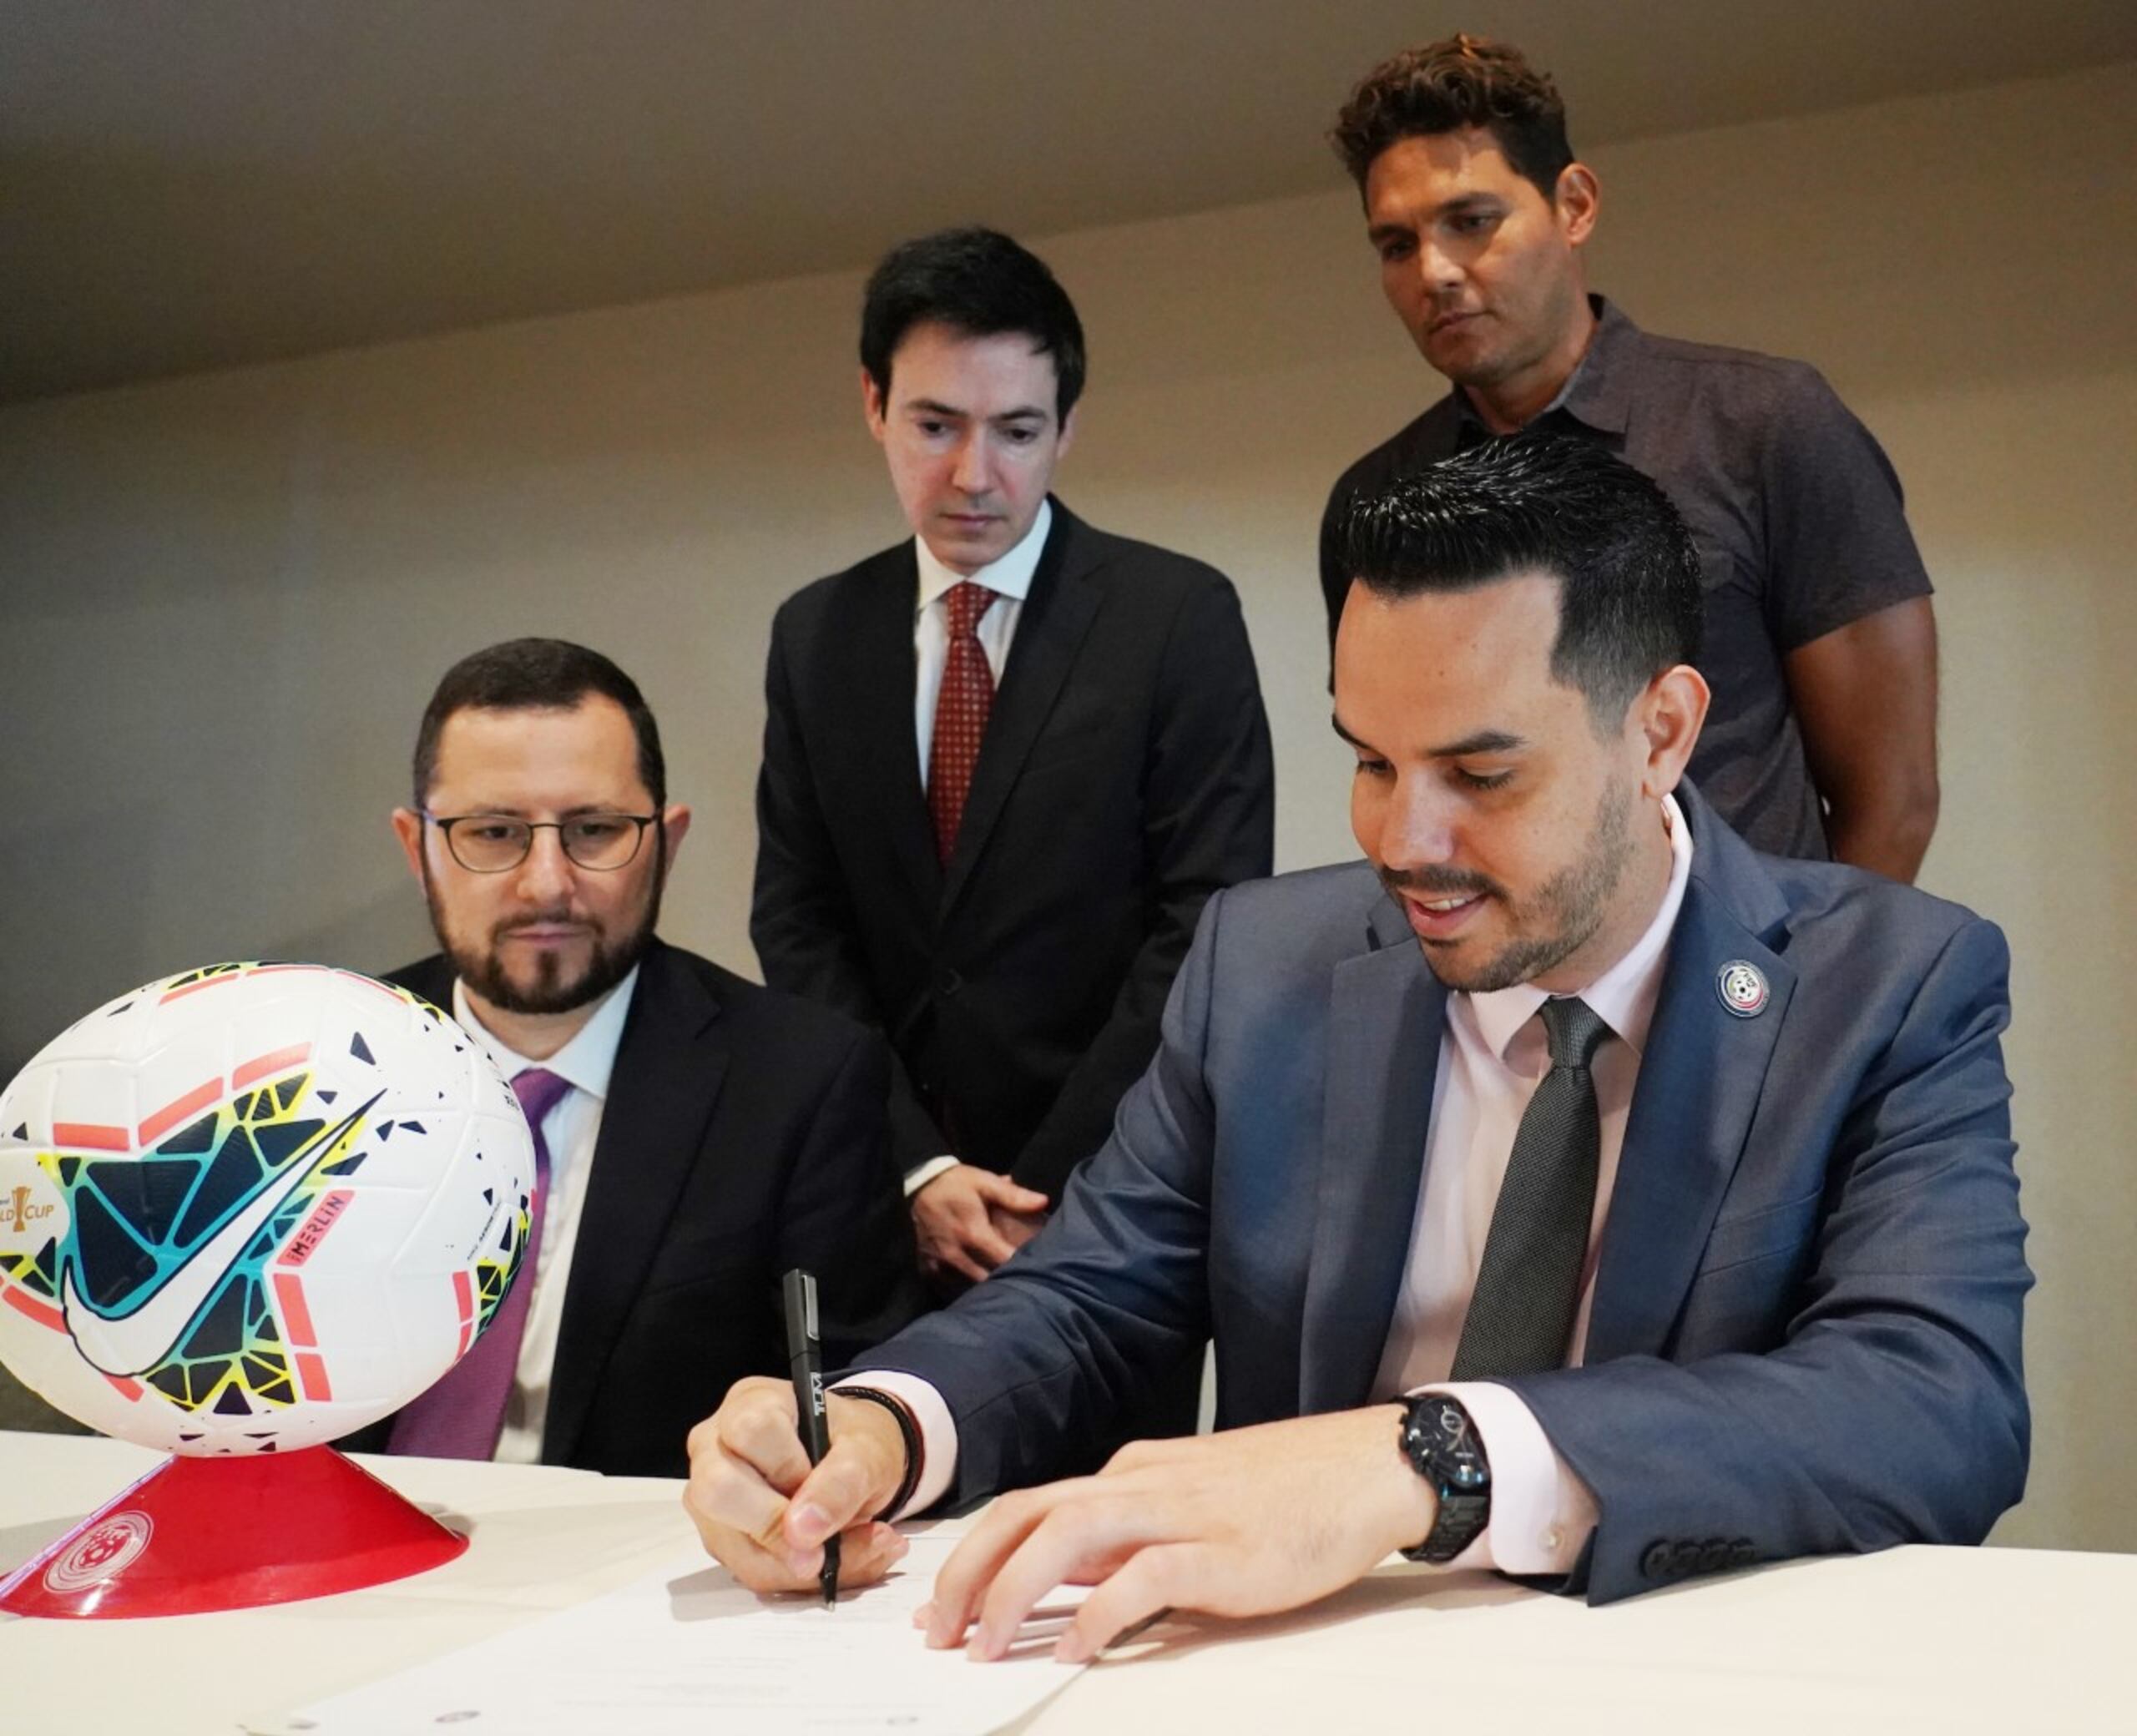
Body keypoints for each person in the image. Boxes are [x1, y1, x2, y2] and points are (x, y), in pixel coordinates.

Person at [682, 434, 2028, 1659]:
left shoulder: (1889, 985)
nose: (1403, 842)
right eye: (1373, 761)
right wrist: (884, 1426)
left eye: (1481, 776)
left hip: (1681, 1667)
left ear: (1661, 731)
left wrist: (1427, 1460)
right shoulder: (1267, 965)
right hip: (1303, 1674)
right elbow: (1091, 1300)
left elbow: (1934, 1404)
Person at [751, 227, 1274, 1315]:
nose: (972, 475)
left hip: (1111, 1211)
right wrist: (918, 1168)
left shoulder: (1174, 618)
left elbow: (1207, 925)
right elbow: (799, 924)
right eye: (934, 424)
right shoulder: (818, 635)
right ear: (872, 404)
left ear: (1068, 430)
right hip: (877, 1214)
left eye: (1017, 431)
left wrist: (1038, 1190)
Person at [1319, 34, 1940, 880]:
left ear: (1572, 205)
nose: (1435, 272)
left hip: (1747, 977)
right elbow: (1403, 776)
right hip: (1496, 992)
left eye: (1471, 222)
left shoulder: (1763, 423)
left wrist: (1813, 1000)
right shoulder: (1379, 496)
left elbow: (1893, 796)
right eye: (1396, 245)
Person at [340, 638, 923, 1476]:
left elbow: (859, 1410)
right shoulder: (308, 1062)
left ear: (666, 841)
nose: (546, 883)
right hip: (330, 1580)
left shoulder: (801, 1084)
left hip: (632, 1582)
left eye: (595, 830)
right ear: (416, 846)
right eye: (494, 832)